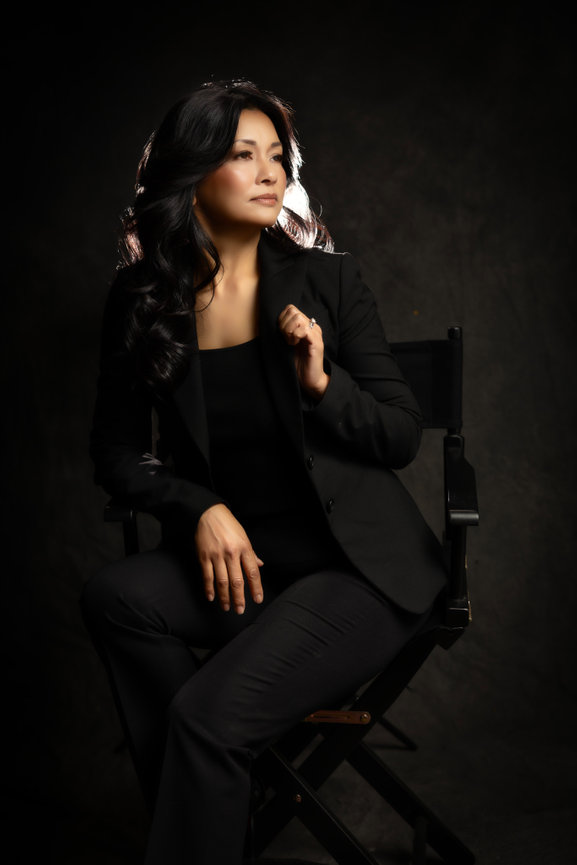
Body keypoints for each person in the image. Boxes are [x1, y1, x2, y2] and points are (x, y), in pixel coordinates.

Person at [81, 79, 448, 865]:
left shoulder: (328, 282)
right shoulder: (144, 299)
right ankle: (217, 808)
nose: (269, 172)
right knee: (116, 598)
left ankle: (209, 797)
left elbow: (398, 434)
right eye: (241, 154)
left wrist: (323, 385)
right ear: (191, 174)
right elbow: (113, 452)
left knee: (206, 718)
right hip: (249, 572)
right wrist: (197, 506)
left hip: (357, 573)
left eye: (276, 155)